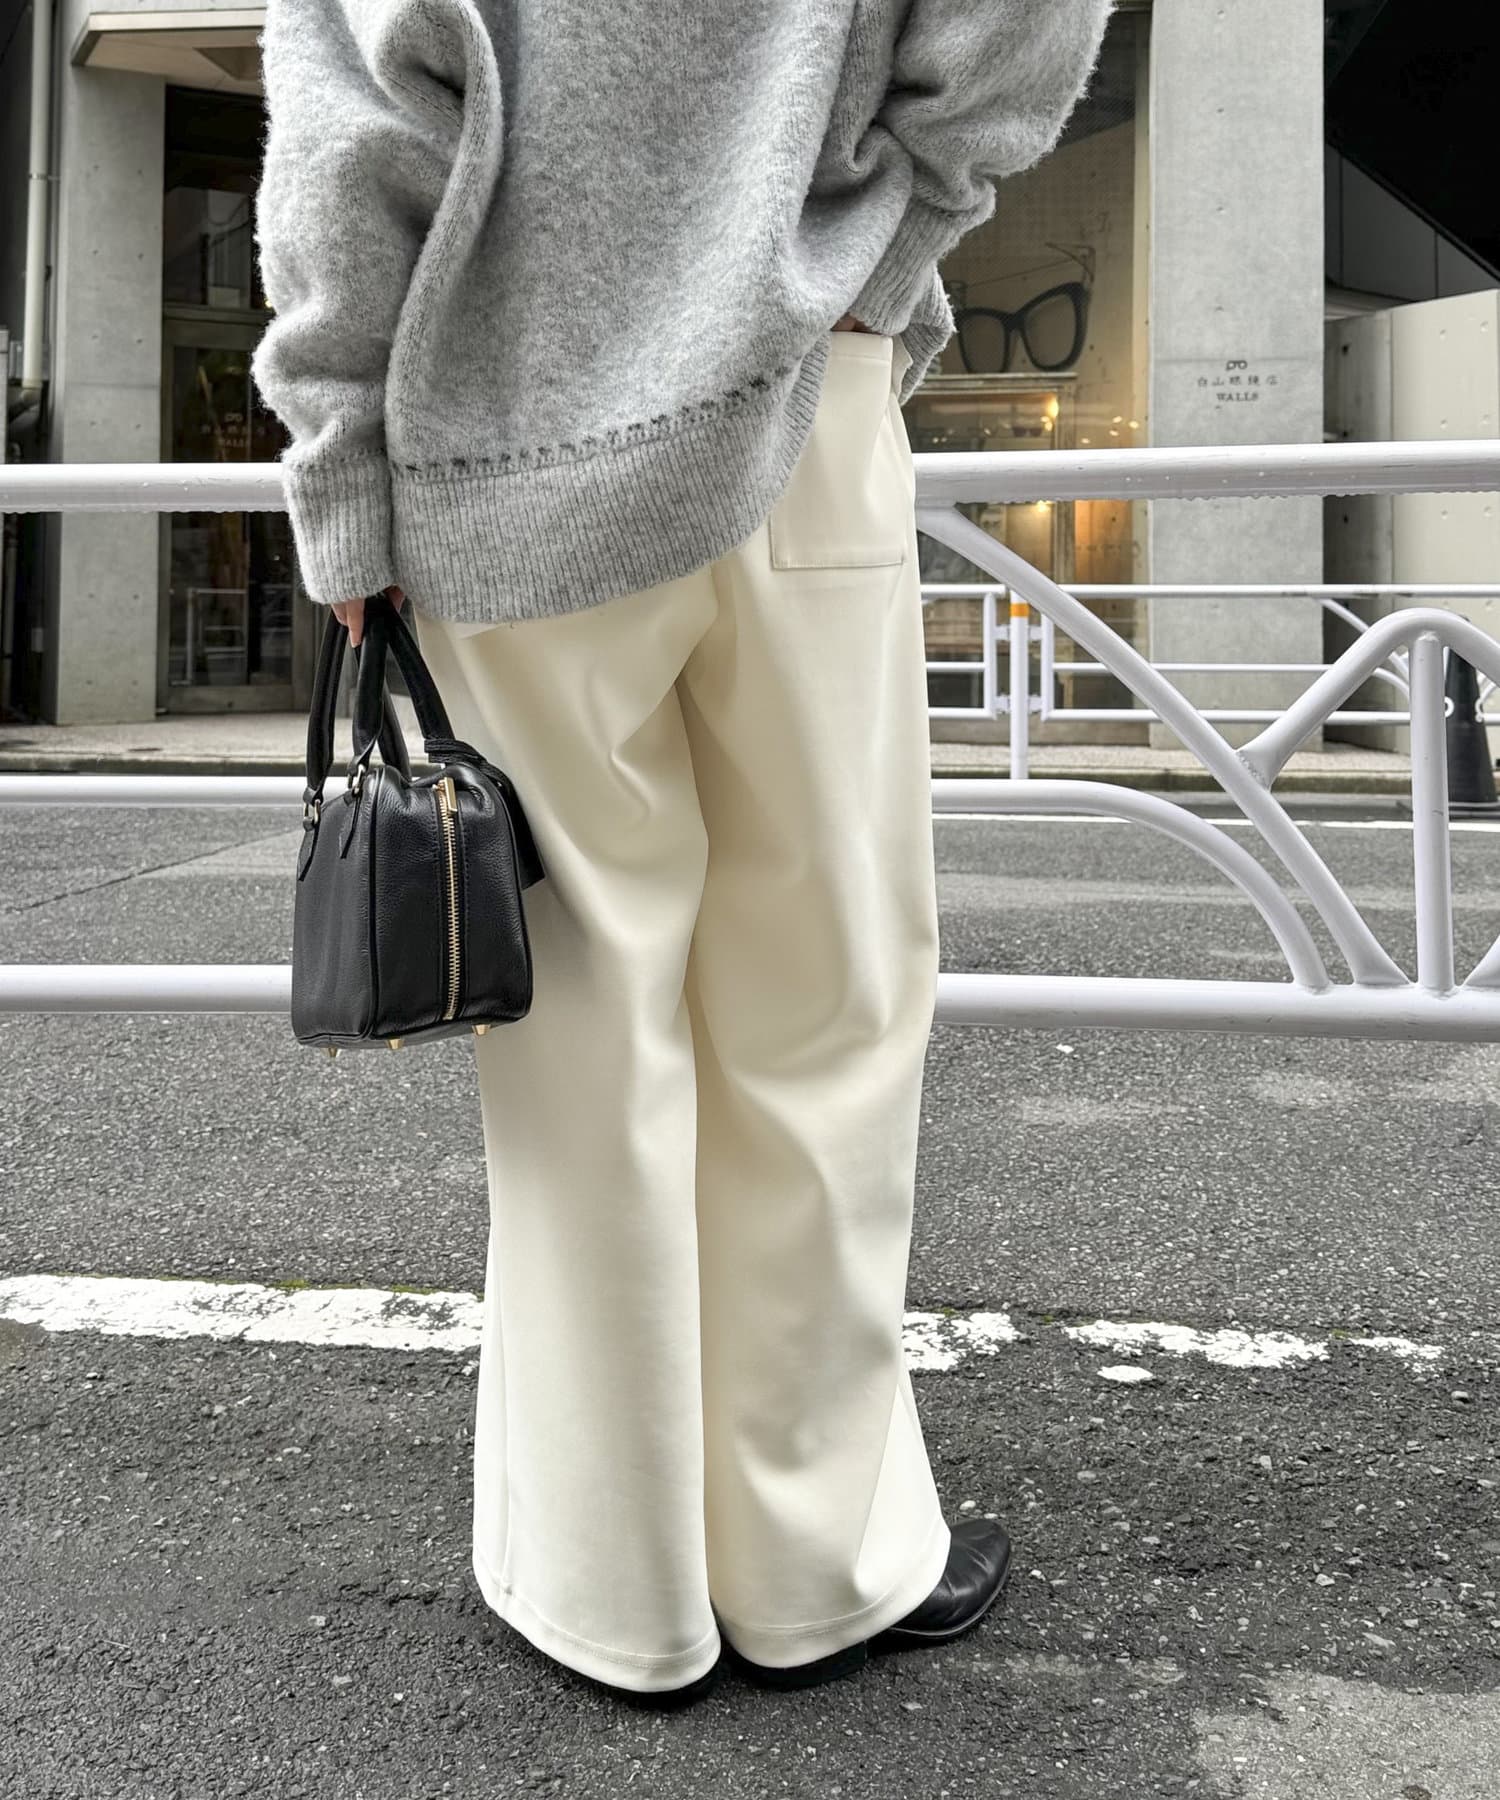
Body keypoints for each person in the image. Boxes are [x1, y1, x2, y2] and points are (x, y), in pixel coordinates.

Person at [252, 0, 1112, 1705]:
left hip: (500, 443)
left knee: (581, 1034)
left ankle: (614, 1592)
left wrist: (338, 471)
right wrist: (885, 253)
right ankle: (814, 1568)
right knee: (824, 1013)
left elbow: (355, 131)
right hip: (802, 401)